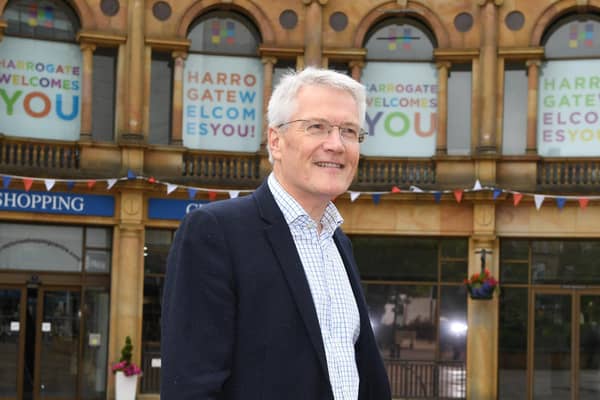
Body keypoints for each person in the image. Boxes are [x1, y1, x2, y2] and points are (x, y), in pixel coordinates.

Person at [161, 67, 391, 400]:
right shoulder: (215, 233)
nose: (336, 145)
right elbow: (192, 388)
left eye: (350, 132)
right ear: (276, 141)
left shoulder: (338, 242)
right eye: (317, 127)